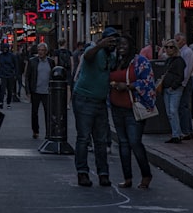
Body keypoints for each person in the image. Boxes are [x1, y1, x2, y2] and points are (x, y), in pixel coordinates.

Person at [72, 28, 118, 187]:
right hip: (84, 98)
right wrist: (99, 45)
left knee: (101, 140)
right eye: (110, 40)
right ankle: (82, 172)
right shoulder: (94, 51)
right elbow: (87, 56)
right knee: (84, 138)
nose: (112, 44)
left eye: (114, 41)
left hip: (100, 101)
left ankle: (103, 173)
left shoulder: (111, 56)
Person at [107, 35, 153, 189]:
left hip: (133, 108)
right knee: (123, 143)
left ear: (131, 45)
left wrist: (127, 86)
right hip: (116, 107)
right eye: (119, 44)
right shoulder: (114, 61)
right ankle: (127, 178)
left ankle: (146, 175)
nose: (121, 47)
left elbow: (148, 81)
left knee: (134, 142)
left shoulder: (140, 61)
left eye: (124, 44)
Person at [155, 39, 186, 144]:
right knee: (169, 113)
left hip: (174, 89)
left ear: (175, 48)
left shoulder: (179, 60)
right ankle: (176, 133)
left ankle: (177, 135)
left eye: (171, 47)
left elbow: (181, 76)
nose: (168, 49)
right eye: (166, 47)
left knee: (173, 111)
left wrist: (173, 86)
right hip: (166, 88)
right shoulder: (168, 60)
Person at [23, 42, 55, 139]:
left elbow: (53, 75)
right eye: (39, 50)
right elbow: (27, 77)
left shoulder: (50, 62)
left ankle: (48, 131)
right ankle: (35, 130)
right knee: (34, 112)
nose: (40, 52)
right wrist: (27, 91)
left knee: (48, 112)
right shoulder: (32, 61)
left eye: (42, 50)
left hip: (47, 91)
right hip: (35, 91)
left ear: (46, 51)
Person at [174, 33, 193, 139]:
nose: (176, 42)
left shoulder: (187, 52)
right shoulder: (180, 52)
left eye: (177, 40)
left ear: (183, 41)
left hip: (185, 82)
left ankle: (186, 131)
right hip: (182, 81)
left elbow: (187, 70)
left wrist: (182, 83)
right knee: (182, 106)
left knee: (184, 106)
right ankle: (185, 130)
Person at [0, 43, 18, 108]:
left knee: (9, 90)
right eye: (4, 48)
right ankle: (1, 102)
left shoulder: (12, 56)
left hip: (10, 75)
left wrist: (16, 74)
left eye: (6, 48)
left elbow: (16, 65)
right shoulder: (0, 56)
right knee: (2, 89)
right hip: (2, 75)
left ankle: (8, 102)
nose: (5, 49)